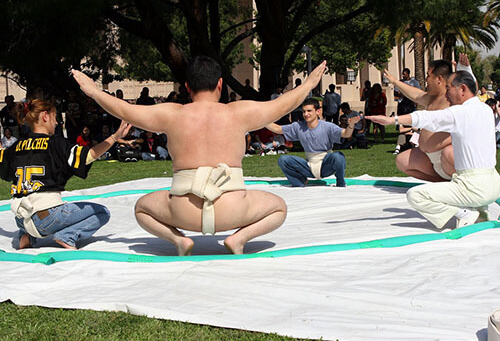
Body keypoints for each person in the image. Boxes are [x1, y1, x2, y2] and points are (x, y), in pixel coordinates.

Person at [72, 56, 327, 255]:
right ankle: (238, 238)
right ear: (220, 84)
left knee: (141, 208)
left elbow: (124, 109)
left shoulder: (171, 114)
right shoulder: (238, 113)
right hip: (234, 210)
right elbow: (282, 104)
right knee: (278, 207)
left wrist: (94, 92)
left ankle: (179, 239)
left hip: (184, 213)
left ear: (187, 87)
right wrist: (308, 85)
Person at [366, 70, 500, 229]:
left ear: (462, 89)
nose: (446, 93)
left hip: (473, 187)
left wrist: (392, 120)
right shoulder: (484, 109)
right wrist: (466, 67)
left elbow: (427, 118)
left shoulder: (460, 112)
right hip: (494, 184)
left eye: (449, 88)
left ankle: (465, 212)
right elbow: (471, 85)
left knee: (416, 196)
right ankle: (480, 209)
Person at [0, 99, 131, 249]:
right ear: (45, 116)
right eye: (55, 117)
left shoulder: (16, 146)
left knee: (34, 211)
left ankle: (26, 235)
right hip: (47, 217)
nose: (56, 123)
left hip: (21, 218)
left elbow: (2, 164)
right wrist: (115, 137)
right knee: (102, 212)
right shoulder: (56, 143)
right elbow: (89, 155)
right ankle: (67, 236)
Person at [383, 56, 472, 182]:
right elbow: (415, 94)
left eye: (428, 75)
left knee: (449, 153)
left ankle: (464, 184)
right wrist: (395, 82)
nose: (426, 80)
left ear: (439, 79)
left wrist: (466, 70)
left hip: (449, 156)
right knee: (402, 161)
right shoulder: (431, 98)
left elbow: (472, 93)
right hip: (428, 157)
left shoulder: (454, 100)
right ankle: (443, 183)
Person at [266, 98, 359, 187]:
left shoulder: (328, 126)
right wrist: (262, 120)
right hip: (308, 166)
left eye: (309, 111)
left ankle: (340, 183)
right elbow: (277, 129)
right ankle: (300, 181)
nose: (306, 114)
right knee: (283, 160)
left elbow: (346, 134)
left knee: (338, 156)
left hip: (325, 165)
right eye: (304, 111)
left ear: (318, 111)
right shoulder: (298, 126)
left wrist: (351, 125)